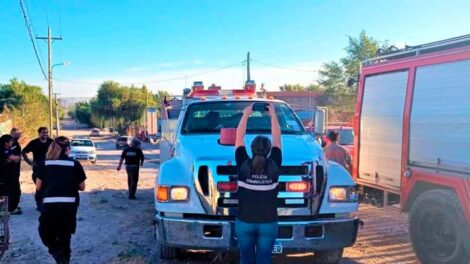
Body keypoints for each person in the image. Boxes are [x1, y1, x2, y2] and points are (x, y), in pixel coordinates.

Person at [234, 103, 282, 264]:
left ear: (251, 148)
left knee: (245, 258)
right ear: (269, 150)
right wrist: (273, 115)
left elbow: (238, 137)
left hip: (244, 222)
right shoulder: (274, 163)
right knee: (264, 258)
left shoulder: (243, 163)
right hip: (268, 222)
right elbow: (277, 138)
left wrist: (246, 114)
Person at [36, 136, 86, 264]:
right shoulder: (74, 164)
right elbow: (82, 187)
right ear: (67, 149)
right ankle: (64, 260)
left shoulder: (45, 164)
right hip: (69, 205)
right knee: (65, 236)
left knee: (45, 232)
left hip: (50, 206)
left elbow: (38, 186)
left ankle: (57, 253)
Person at [22, 127, 53, 210]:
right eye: (43, 132)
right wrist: (29, 162)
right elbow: (24, 151)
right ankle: (39, 205)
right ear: (39, 133)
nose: (45, 134)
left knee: (48, 187)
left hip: (49, 169)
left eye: (46, 132)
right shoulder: (34, 143)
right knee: (39, 188)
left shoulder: (51, 142)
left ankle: (47, 204)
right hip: (38, 170)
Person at [9, 128, 23, 214]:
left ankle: (13, 206)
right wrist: (16, 158)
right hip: (9, 172)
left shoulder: (16, 143)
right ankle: (11, 208)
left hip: (15, 171)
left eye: (19, 134)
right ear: (12, 133)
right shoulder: (6, 143)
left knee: (16, 190)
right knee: (13, 190)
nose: (19, 135)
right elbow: (12, 158)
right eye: (17, 134)